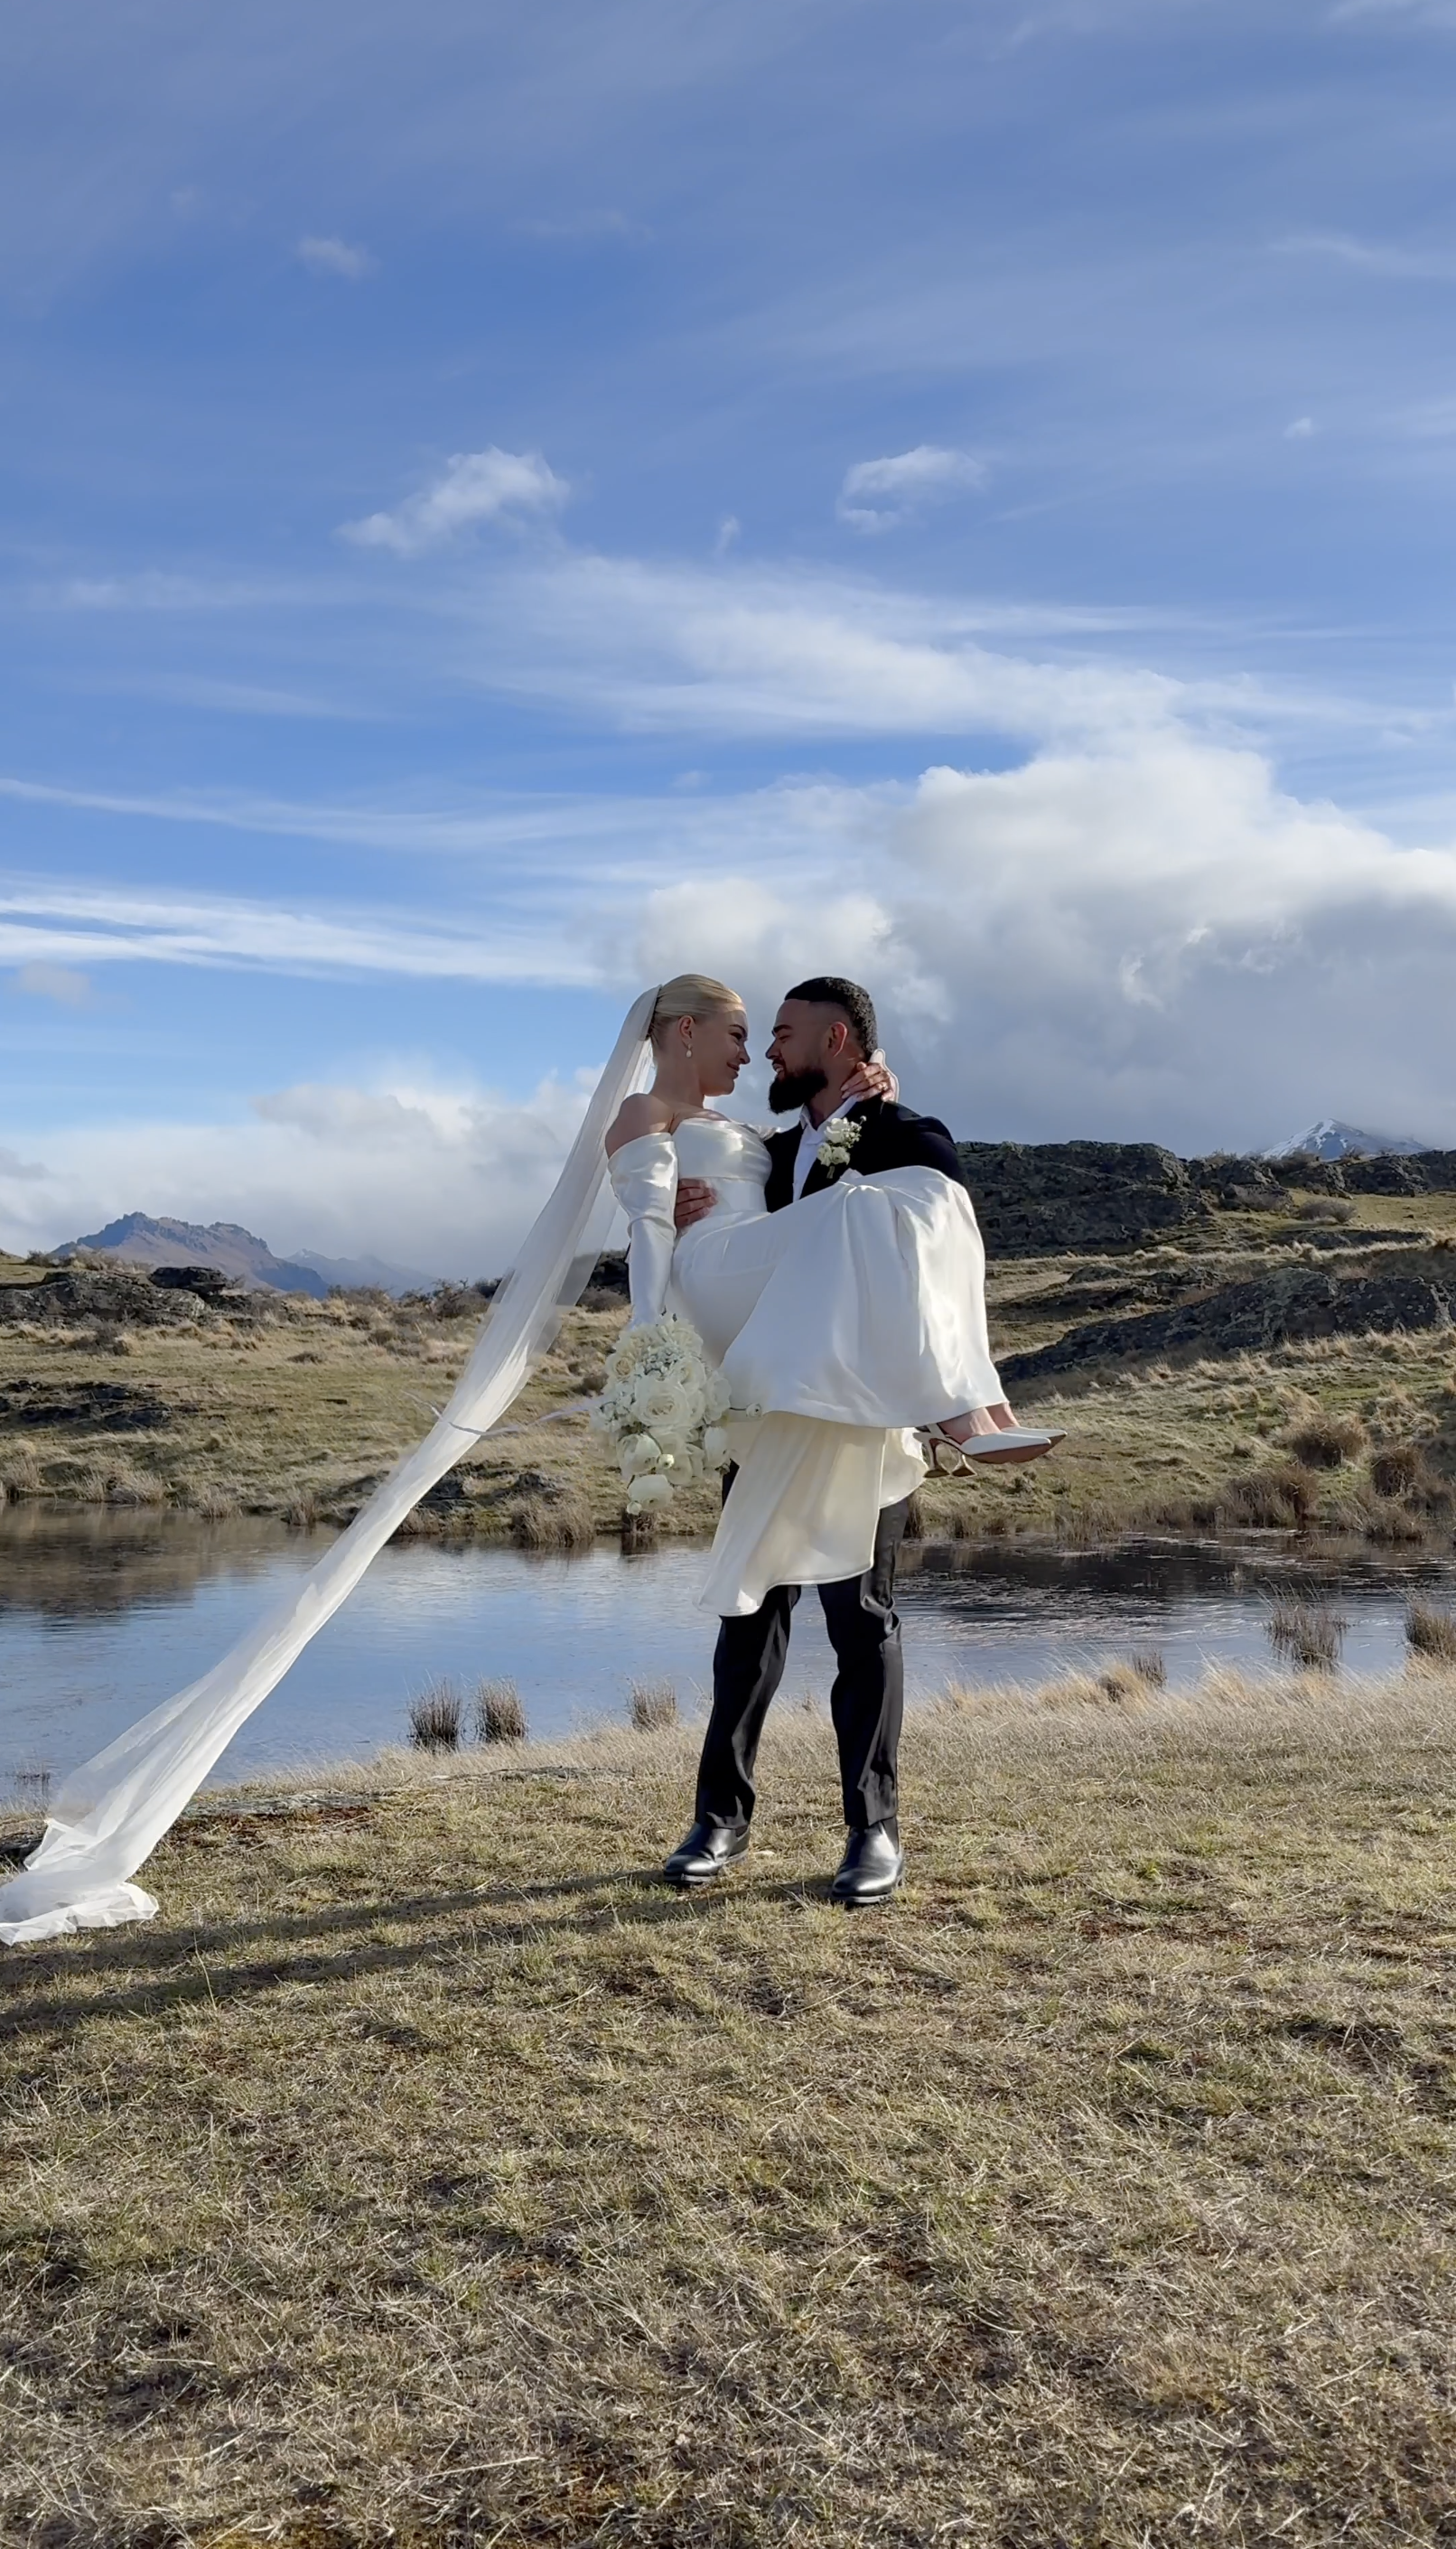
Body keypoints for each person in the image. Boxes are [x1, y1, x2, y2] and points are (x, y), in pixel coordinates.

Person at [604, 973, 1059, 1907]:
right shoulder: (769, 1151)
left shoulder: (893, 1128)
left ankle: (872, 1830)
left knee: (863, 1627)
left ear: (841, 1042)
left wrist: (882, 1106)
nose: (768, 1049)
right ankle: (719, 1818)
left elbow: (936, 1182)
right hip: (768, 1407)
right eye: (755, 1032)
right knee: (748, 1623)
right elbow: (703, 1211)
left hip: (858, 1425)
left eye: (783, 1033)